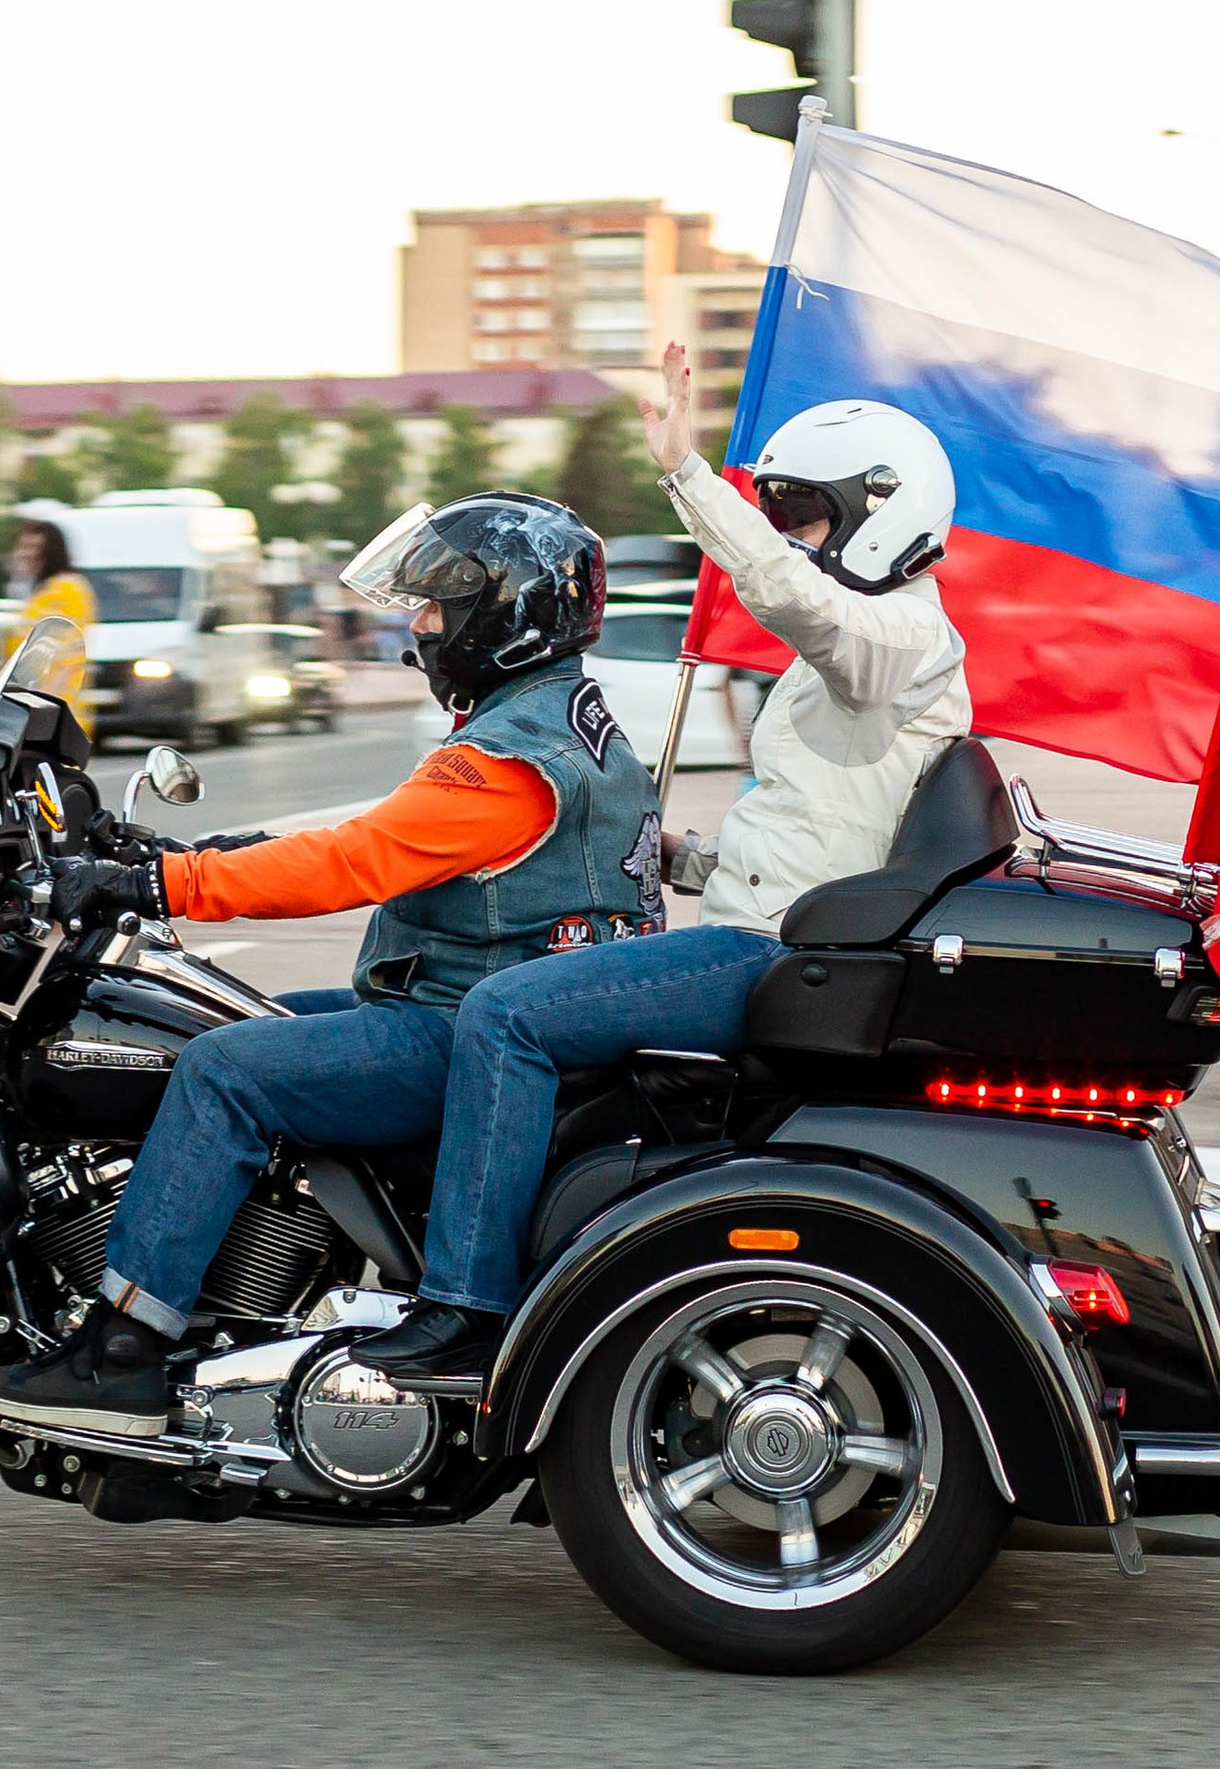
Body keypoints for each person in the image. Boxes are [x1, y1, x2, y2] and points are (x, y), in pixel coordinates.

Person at [0, 493, 663, 1441]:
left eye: (439, 605)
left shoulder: (508, 758)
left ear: (504, 614)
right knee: (238, 1017)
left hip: (462, 1024)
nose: (420, 625)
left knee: (222, 1069)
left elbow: (352, 862)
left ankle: (125, 1344)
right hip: (487, 1000)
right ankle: (254, 1293)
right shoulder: (556, 720)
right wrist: (188, 848)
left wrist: (161, 885)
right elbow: (388, 830)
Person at [347, 342, 974, 1390]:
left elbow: (798, 603)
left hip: (763, 954)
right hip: (767, 924)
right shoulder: (869, 666)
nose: (790, 543)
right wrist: (679, 853)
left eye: (805, 519)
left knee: (502, 1012)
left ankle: (463, 1305)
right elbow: (819, 839)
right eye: (779, 521)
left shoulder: (903, 641)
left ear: (882, 509)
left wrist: (688, 474)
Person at [7, 516, 97, 739]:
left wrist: (46, 712)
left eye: (34, 547)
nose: (26, 553)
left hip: (54, 719)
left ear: (52, 551)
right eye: (23, 546)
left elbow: (67, 658)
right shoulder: (43, 591)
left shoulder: (68, 590)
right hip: (32, 713)